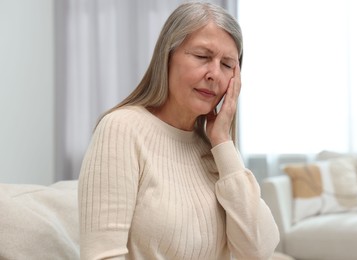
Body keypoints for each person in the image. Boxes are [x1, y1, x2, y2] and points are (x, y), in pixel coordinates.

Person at [78, 2, 279, 259]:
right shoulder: (121, 129)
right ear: (167, 55)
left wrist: (223, 141)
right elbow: (103, 254)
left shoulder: (216, 148)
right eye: (202, 56)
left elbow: (258, 252)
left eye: (227, 64)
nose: (214, 74)